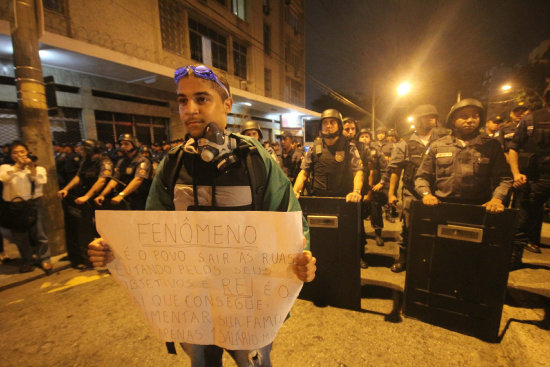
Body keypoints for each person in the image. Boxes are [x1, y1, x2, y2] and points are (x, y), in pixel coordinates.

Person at [89, 64, 316, 367]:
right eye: (183, 100)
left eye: (202, 99)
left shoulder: (256, 160)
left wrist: (303, 259)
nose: (190, 109)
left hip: (248, 301)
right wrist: (111, 251)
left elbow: (291, 219)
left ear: (226, 104)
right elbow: (150, 239)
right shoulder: (172, 164)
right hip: (190, 303)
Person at [415, 98, 511, 215]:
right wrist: (426, 194)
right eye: (464, 116)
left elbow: (505, 178)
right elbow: (422, 176)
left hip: (480, 208)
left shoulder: (491, 146)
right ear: (453, 120)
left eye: (475, 116)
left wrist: (497, 199)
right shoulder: (437, 145)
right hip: (442, 206)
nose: (470, 120)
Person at [387, 104, 446, 272]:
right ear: (419, 119)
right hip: (411, 192)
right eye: (427, 116)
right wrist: (391, 193)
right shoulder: (405, 142)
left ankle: (429, 259)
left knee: (435, 227)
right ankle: (403, 258)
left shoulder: (443, 139)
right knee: (408, 226)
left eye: (433, 116)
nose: (431, 119)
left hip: (437, 192)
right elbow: (396, 170)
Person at [57, 139, 112, 268]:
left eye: (83, 149)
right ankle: (85, 256)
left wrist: (87, 196)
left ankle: (107, 257)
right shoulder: (86, 162)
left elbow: (102, 181)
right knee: (86, 229)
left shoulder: (105, 161)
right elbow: (78, 177)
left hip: (100, 200)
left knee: (102, 230)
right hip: (86, 199)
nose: (80, 151)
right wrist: (66, 189)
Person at [0, 141, 52, 274]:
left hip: (32, 204)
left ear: (27, 152)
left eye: (22, 152)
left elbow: (40, 181)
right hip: (14, 206)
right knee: (20, 235)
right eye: (15, 152)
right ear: (11, 155)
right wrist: (18, 166)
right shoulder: (6, 167)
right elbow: (4, 178)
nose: (19, 155)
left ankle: (45, 259)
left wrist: (30, 166)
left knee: (40, 233)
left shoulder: (37, 168)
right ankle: (27, 260)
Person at [507, 102, 550, 264]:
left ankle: (513, 258)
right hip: (534, 178)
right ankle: (513, 258)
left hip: (535, 179)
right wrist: (516, 173)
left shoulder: (531, 118)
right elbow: (514, 147)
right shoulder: (531, 119)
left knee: (523, 221)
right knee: (522, 221)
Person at [293, 108, 363, 202]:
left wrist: (356, 191)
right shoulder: (314, 147)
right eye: (325, 122)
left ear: (339, 126)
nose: (328, 126)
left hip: (342, 199)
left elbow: (358, 172)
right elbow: (304, 173)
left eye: (332, 122)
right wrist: (295, 191)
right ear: (321, 126)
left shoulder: (349, 147)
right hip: (318, 198)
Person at [94, 134, 152, 210]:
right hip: (126, 198)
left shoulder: (143, 160)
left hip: (140, 198)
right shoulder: (122, 161)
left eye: (126, 144)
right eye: (121, 144)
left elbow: (138, 180)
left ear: (134, 144)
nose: (123, 147)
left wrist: (121, 195)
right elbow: (115, 180)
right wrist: (102, 195)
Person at [357, 128, 387, 267]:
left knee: (376, 211)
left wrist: (381, 183)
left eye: (366, 136)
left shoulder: (376, 151)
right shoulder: (355, 150)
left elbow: (385, 168)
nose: (364, 139)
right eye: (362, 136)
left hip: (374, 187)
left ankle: (378, 233)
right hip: (359, 188)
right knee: (358, 218)